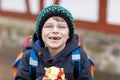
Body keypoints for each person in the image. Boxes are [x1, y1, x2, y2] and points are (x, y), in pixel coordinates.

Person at [15, 5, 93, 80]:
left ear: (69, 34)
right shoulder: (29, 57)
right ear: (40, 33)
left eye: (61, 27)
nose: (55, 31)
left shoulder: (80, 57)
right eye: (48, 26)